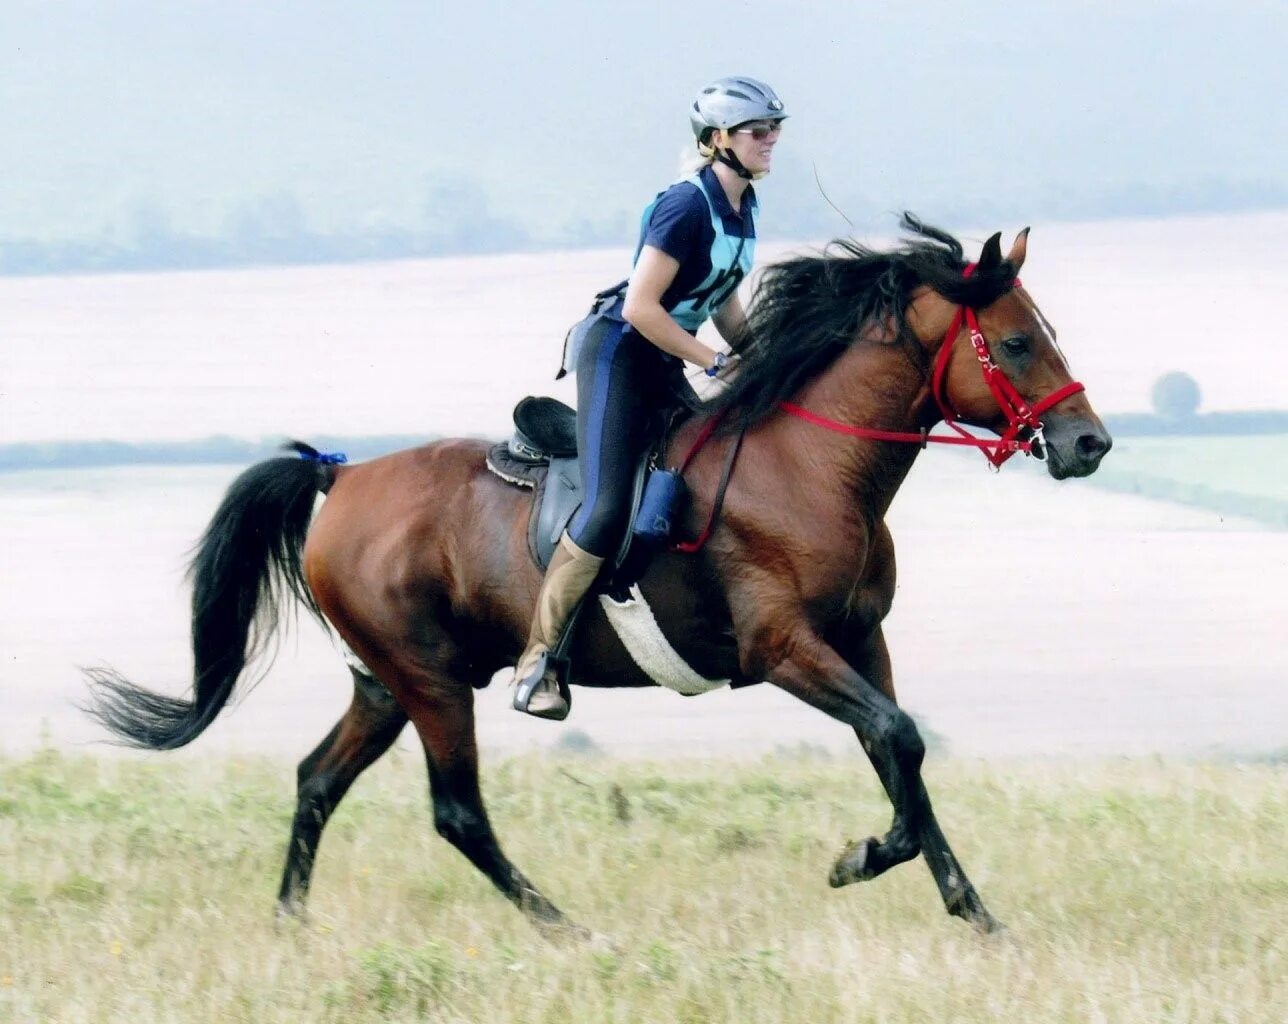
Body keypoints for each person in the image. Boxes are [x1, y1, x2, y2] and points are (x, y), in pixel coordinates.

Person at [512, 75, 787, 719]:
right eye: (758, 130)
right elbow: (640, 308)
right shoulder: (685, 207)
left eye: (776, 128)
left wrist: (765, 356)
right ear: (718, 140)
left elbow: (720, 297)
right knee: (608, 506)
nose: (771, 139)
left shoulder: (742, 204)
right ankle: (539, 660)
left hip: (666, 355)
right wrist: (715, 359)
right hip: (619, 353)